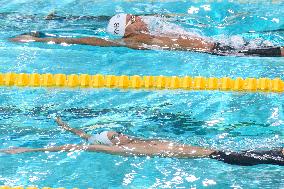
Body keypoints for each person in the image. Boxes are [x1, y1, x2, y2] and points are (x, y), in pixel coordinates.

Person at [1, 117, 283, 166]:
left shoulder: (135, 140)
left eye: (116, 132)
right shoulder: (126, 150)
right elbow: (80, 145)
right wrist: (30, 148)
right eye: (115, 137)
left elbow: (84, 137)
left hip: (220, 151)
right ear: (112, 145)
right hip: (219, 156)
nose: (120, 135)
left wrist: (68, 126)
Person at [10, 13, 284, 57]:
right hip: (219, 51)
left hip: (222, 46)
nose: (139, 18)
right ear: (125, 31)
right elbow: (85, 40)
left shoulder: (152, 30)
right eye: (132, 19)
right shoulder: (135, 42)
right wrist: (40, 39)